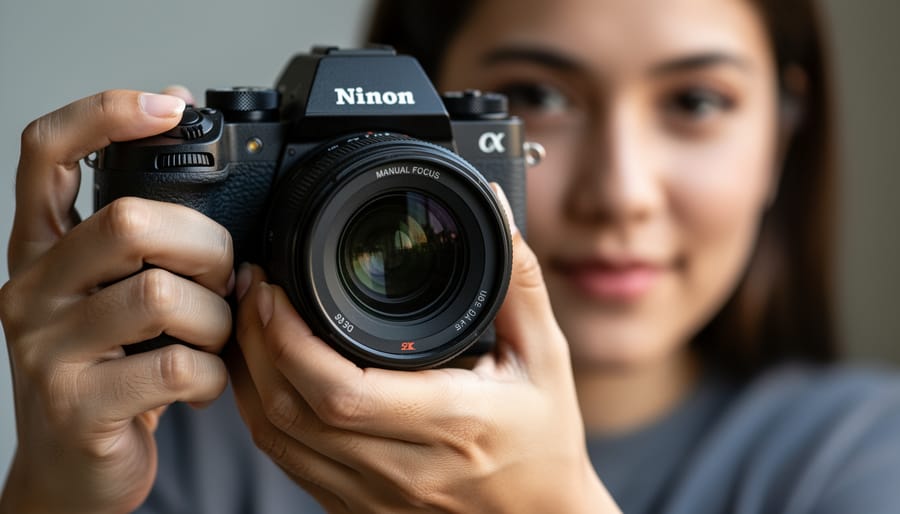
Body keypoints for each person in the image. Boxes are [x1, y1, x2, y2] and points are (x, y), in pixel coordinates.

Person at [2, 0, 899, 512]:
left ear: (784, 134)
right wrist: (55, 491)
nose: (621, 191)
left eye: (697, 101)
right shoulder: (183, 446)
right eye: (539, 93)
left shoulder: (857, 457)